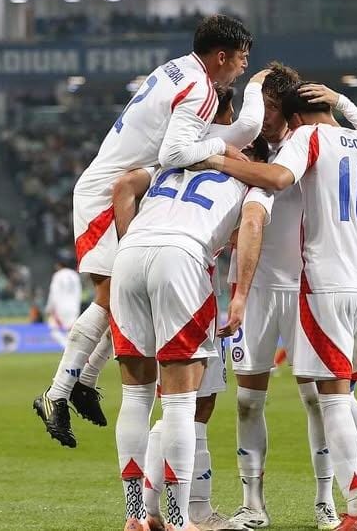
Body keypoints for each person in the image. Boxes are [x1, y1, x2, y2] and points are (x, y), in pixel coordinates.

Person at [199, 73, 357, 531]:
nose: (264, 119)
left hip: (309, 288)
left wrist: (215, 159)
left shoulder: (304, 144)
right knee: (253, 402)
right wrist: (345, 102)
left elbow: (277, 181)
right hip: (264, 290)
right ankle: (254, 505)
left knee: (328, 400)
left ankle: (333, 504)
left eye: (270, 108)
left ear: (288, 111)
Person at [33, 15, 257, 448]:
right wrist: (220, 147)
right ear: (222, 56)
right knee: (109, 298)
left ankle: (82, 382)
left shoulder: (173, 68)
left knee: (121, 301)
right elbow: (175, 152)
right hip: (108, 194)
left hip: (112, 185)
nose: (243, 67)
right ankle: (57, 393)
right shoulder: (202, 90)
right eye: (242, 59)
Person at [112, 82, 261, 531]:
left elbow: (122, 186)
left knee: (136, 397)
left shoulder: (169, 156)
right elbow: (250, 226)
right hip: (182, 258)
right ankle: (177, 520)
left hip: (131, 252)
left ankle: (136, 516)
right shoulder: (247, 170)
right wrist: (240, 292)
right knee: (179, 404)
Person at [44, 261, 83, 331]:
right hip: (74, 307)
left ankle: (62, 342)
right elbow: (79, 292)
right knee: (71, 331)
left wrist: (49, 308)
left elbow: (53, 293)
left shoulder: (58, 275)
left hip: (60, 307)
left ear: (59, 265)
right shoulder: (75, 275)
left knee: (53, 329)